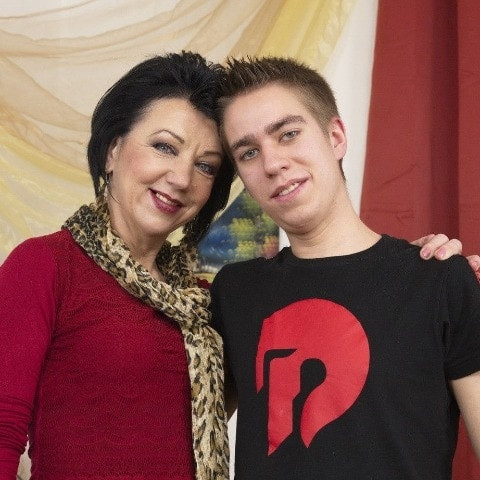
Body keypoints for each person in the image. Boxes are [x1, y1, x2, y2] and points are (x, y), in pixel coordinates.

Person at [210, 56, 480, 479]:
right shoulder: (234, 292)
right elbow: (186, 428)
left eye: (288, 134)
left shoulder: (439, 278)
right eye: (248, 152)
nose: (272, 163)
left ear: (335, 137)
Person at [0, 51, 235, 480]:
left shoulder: (200, 303)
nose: (182, 178)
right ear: (112, 151)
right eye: (164, 147)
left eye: (205, 166)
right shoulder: (45, 266)